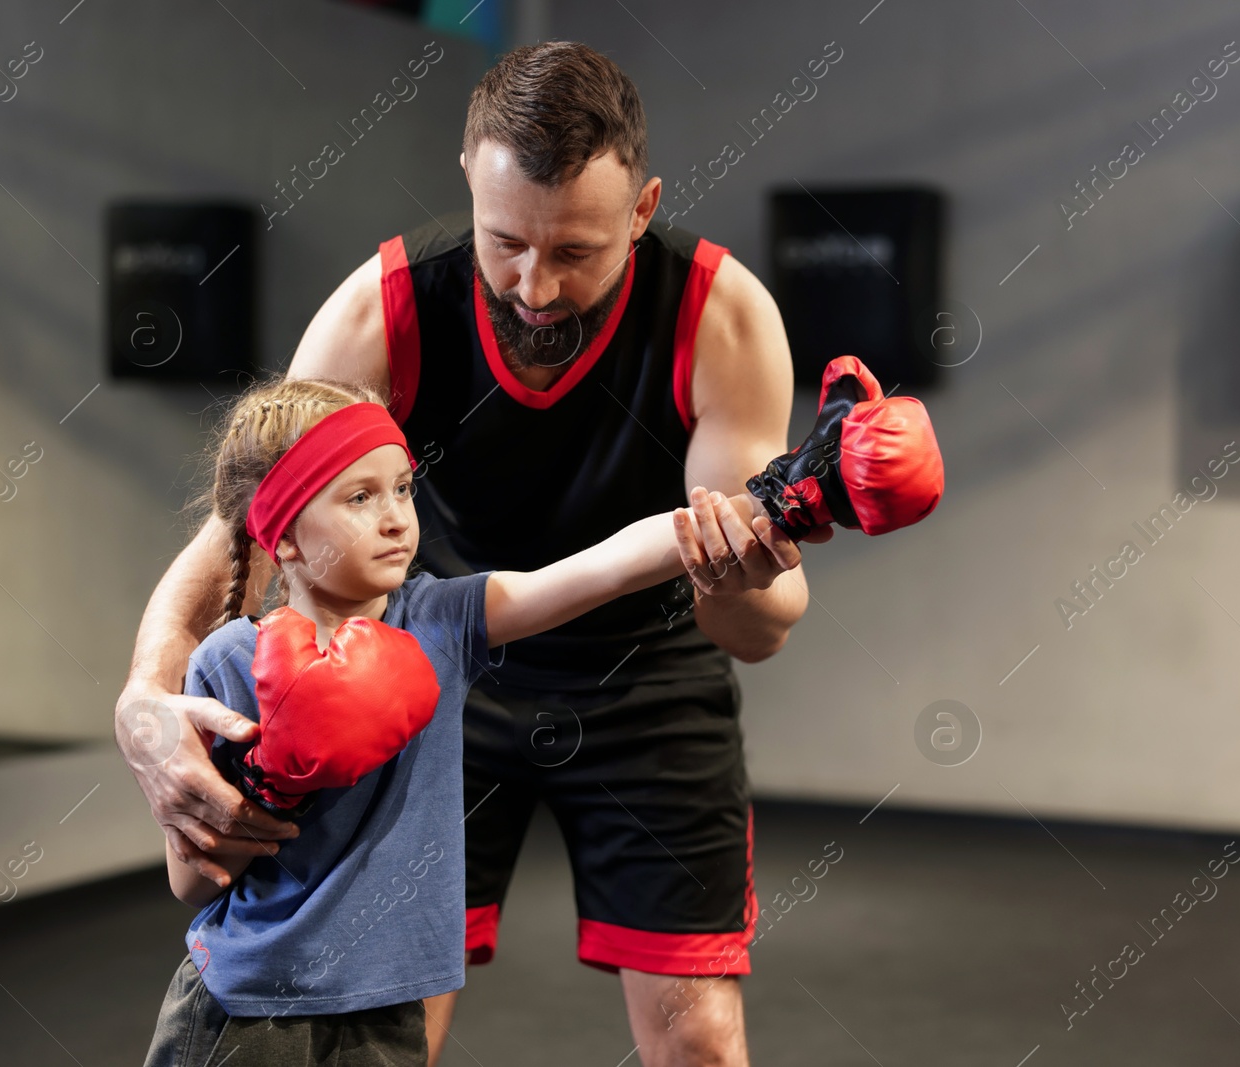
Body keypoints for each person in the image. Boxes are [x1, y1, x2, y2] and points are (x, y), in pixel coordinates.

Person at [118, 40, 813, 1066]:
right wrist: (144, 701)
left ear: (642, 206)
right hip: (428, 670)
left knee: (699, 1040)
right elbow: (245, 534)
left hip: (649, 677)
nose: (534, 285)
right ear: (468, 182)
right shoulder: (381, 311)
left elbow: (753, 630)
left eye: (574, 251)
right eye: (506, 243)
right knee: (395, 1013)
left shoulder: (721, 318)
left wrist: (738, 578)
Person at [143, 376, 795, 1065]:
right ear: (288, 535)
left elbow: (605, 567)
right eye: (360, 497)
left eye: (402, 488)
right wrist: (275, 778)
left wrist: (780, 498)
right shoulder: (230, 658)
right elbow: (190, 882)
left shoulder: (441, 620)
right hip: (250, 1007)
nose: (395, 517)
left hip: (389, 1008)